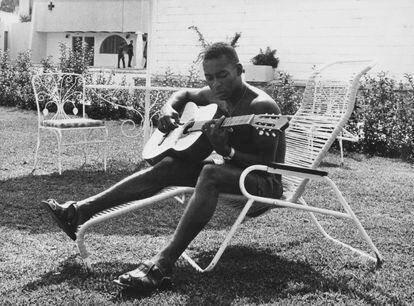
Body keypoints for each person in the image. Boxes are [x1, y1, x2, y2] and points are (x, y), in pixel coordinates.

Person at [42, 42, 286, 292]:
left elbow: (268, 166)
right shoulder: (216, 96)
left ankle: (161, 264)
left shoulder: (261, 107)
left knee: (211, 172)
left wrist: (228, 151)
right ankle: (79, 212)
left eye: (222, 75)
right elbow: (183, 95)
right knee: (169, 165)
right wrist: (168, 109)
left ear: (239, 69)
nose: (215, 84)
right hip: (233, 172)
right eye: (209, 78)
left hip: (263, 185)